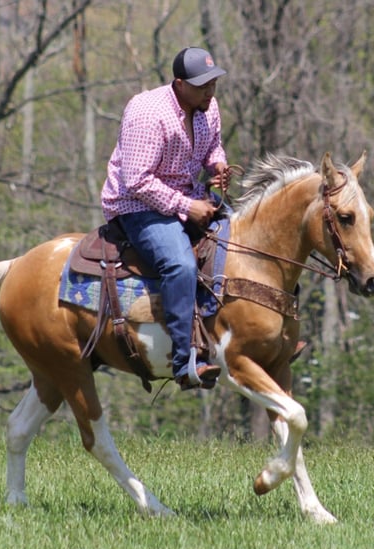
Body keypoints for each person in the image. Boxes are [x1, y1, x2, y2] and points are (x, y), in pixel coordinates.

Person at [100, 46, 233, 390]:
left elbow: (213, 145)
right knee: (181, 266)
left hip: (189, 196)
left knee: (246, 242)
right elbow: (137, 180)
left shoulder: (208, 106)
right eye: (203, 85)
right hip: (137, 207)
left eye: (213, 83)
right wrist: (188, 207)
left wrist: (217, 165)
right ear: (179, 84)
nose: (210, 91)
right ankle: (185, 360)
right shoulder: (147, 113)